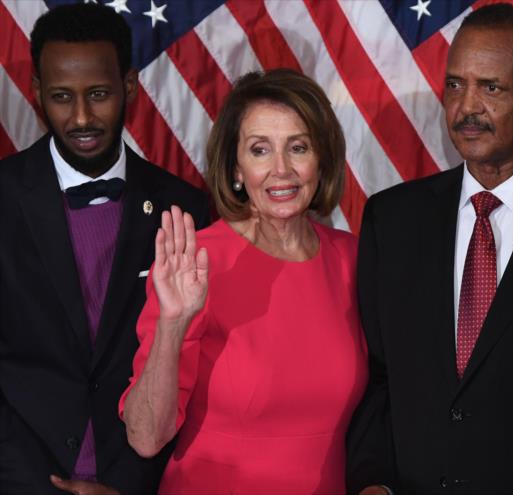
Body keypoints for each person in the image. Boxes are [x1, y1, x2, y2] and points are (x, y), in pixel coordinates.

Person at [346, 4, 513, 494]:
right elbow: (376, 379)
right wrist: (372, 481)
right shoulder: (393, 220)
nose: (466, 108)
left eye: (491, 88)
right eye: (456, 85)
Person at [120, 68, 366, 493]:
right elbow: (145, 438)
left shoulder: (354, 258)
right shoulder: (195, 261)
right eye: (259, 150)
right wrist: (174, 322)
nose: (281, 170)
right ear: (235, 169)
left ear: (321, 160)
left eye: (298, 147)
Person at [0, 4, 210, 494]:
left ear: (129, 87)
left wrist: (130, 485)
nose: (80, 117)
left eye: (98, 94)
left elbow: (188, 370)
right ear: (35, 95)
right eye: (60, 97)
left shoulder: (185, 209)